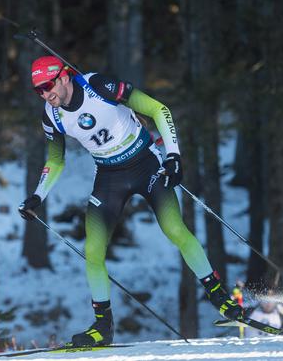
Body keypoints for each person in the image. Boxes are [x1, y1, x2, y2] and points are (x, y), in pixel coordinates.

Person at [17, 56, 243, 347]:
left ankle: (220, 298)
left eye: (48, 86)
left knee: (175, 229)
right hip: (109, 175)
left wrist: (174, 155)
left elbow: (158, 109)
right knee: (93, 250)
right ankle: (102, 327)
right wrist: (38, 195)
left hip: (146, 163)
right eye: (38, 90)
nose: (45, 95)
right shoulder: (52, 115)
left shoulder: (98, 85)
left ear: (63, 77)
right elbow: (56, 160)